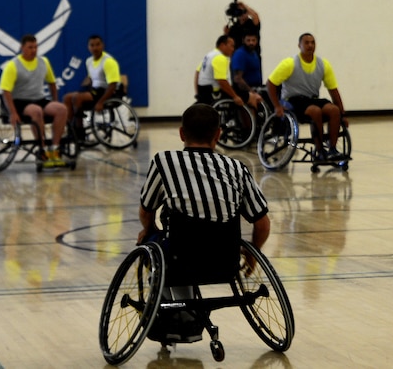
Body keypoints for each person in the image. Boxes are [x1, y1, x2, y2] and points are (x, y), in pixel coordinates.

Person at [138, 102, 270, 258]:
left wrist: (149, 230)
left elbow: (146, 212)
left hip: (179, 256)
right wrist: (252, 253)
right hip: (225, 259)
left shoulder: (164, 162)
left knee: (149, 240)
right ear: (218, 135)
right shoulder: (237, 167)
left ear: (181, 134)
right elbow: (263, 224)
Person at [266, 32, 346, 161]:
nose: (310, 45)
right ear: (299, 45)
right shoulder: (289, 63)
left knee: (333, 110)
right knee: (315, 111)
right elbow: (270, 84)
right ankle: (320, 151)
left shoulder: (323, 64)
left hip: (312, 99)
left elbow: (333, 90)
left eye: (312, 42)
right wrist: (277, 106)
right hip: (293, 100)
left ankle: (332, 149)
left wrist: (343, 114)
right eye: (306, 43)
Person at [0, 34, 68, 167]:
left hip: (39, 98)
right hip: (19, 101)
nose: (34, 50)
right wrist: (12, 113)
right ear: (22, 48)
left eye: (36, 47)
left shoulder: (44, 62)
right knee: (36, 111)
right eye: (30, 47)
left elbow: (52, 83)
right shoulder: (13, 65)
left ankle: (54, 149)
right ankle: (41, 149)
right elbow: (5, 91)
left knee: (61, 109)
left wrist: (54, 101)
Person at [63, 35, 123, 128]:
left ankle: (79, 131)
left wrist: (100, 102)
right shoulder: (89, 61)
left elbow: (113, 85)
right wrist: (82, 89)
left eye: (98, 45)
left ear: (102, 45)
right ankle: (70, 128)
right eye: (92, 45)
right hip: (95, 91)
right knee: (67, 97)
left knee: (77, 98)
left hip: (107, 92)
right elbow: (91, 79)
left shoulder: (109, 61)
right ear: (88, 47)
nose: (95, 48)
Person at [195, 35, 262, 110]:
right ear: (222, 45)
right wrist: (235, 97)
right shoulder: (220, 58)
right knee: (251, 97)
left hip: (205, 91)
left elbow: (197, 73)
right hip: (215, 92)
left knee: (240, 93)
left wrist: (198, 93)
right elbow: (221, 81)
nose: (233, 49)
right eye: (231, 46)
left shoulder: (209, 55)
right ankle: (251, 121)